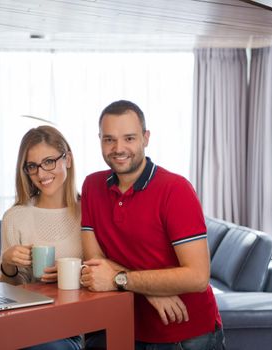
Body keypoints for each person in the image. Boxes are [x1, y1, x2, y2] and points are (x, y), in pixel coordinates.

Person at [80, 100, 225, 350]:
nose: (119, 148)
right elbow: (95, 261)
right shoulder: (92, 186)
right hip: (124, 328)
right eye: (109, 139)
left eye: (129, 138)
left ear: (146, 138)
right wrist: (150, 291)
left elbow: (198, 276)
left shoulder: (176, 190)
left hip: (186, 335)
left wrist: (119, 279)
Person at [0, 125, 83, 350]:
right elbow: (8, 291)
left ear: (68, 159)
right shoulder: (15, 217)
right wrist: (7, 264)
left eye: (49, 162)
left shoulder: (91, 212)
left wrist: (75, 274)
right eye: (32, 166)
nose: (41, 174)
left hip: (75, 326)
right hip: (27, 323)